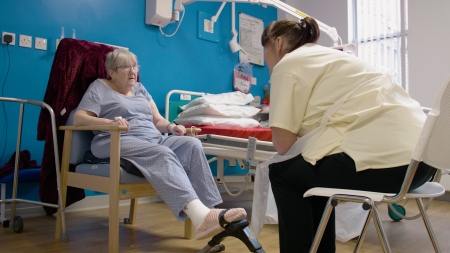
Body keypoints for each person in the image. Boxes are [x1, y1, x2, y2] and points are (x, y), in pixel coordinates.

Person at [261, 17, 436, 252]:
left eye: (265, 50)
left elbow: (282, 145)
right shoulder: (336, 57)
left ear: (277, 43)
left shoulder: (288, 64)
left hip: (395, 166)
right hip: (425, 164)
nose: (266, 58)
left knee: (283, 172)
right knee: (311, 166)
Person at [74, 48, 246, 240]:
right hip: (114, 139)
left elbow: (157, 121)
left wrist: (172, 127)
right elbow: (79, 118)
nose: (133, 71)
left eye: (135, 66)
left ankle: (211, 211)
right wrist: (111, 123)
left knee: (192, 144)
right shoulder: (99, 87)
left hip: (152, 138)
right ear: (111, 72)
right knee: (162, 152)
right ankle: (201, 217)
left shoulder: (139, 89)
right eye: (126, 67)